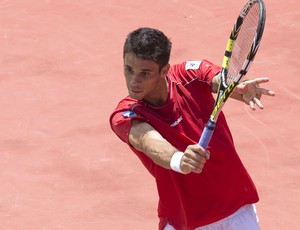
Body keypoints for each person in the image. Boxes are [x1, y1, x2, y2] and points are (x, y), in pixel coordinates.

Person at [109, 27, 275, 230]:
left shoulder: (189, 75)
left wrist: (238, 88)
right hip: (185, 222)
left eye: (145, 73)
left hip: (236, 210)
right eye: (129, 69)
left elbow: (219, 81)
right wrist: (179, 159)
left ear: (164, 70)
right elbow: (146, 141)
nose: (134, 81)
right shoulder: (126, 113)